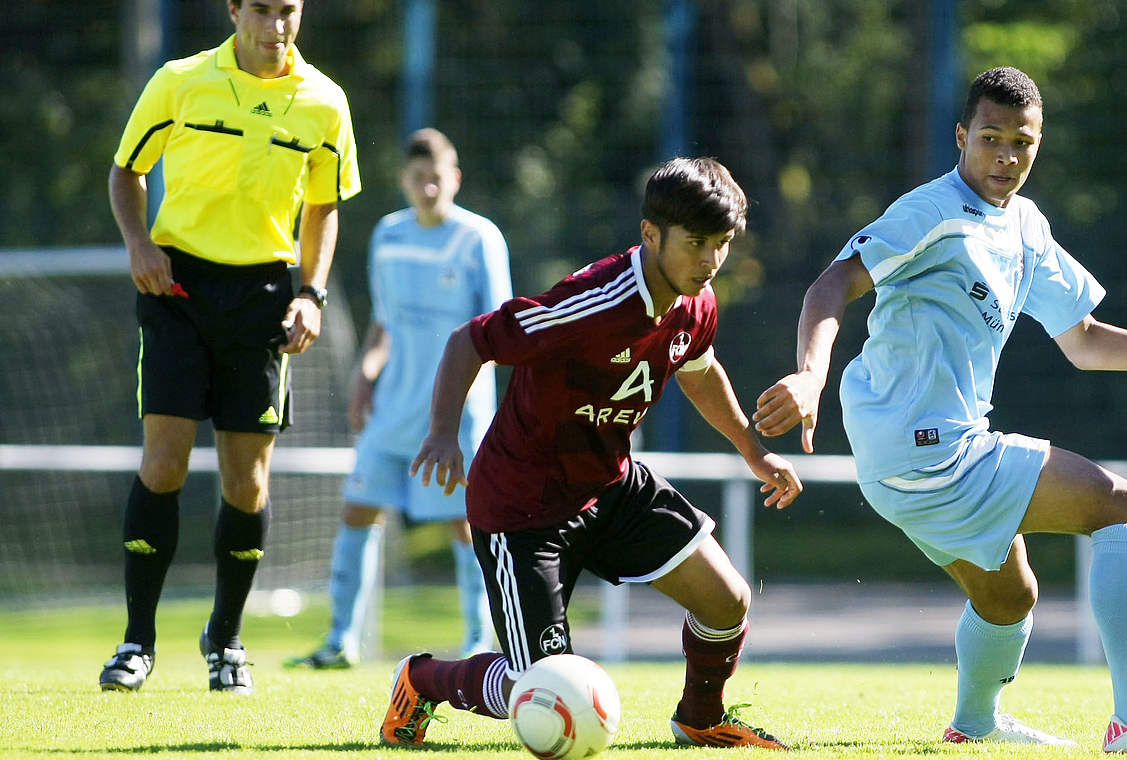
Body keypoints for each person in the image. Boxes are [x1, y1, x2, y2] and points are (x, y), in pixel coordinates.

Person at [753, 67, 1127, 757]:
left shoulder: (1024, 226)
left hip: (900, 462)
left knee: (1010, 596)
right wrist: (810, 377)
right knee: (1125, 507)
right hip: (928, 448)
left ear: (1039, 144)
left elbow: (1083, 342)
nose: (1005, 156)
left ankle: (973, 724)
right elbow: (831, 283)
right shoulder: (931, 211)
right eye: (990, 138)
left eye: (1021, 143)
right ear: (962, 137)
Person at [378, 157, 804, 750]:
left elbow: (699, 372)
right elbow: (469, 340)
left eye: (723, 244)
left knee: (727, 599)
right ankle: (422, 680)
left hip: (610, 484)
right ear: (650, 234)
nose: (710, 262)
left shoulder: (696, 301)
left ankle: (701, 718)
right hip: (524, 507)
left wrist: (754, 454)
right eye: (697, 243)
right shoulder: (592, 303)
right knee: (543, 688)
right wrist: (443, 433)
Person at [99, 0, 360, 695]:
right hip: (178, 290)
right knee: (164, 463)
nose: (277, 25)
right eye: (264, 10)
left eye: (290, 10)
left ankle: (226, 639)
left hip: (264, 301)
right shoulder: (179, 81)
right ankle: (137, 641)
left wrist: (312, 293)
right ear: (234, 10)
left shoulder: (325, 102)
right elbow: (126, 171)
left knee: (248, 483)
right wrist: (138, 244)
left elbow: (323, 206)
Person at [287, 128, 510, 669]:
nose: (428, 189)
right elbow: (384, 322)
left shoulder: (479, 238)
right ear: (404, 181)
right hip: (394, 409)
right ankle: (340, 640)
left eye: (437, 178)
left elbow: (501, 334)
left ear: (453, 179)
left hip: (456, 414)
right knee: (359, 509)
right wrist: (365, 375)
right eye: (418, 179)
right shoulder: (388, 235)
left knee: (469, 521)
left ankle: (481, 641)